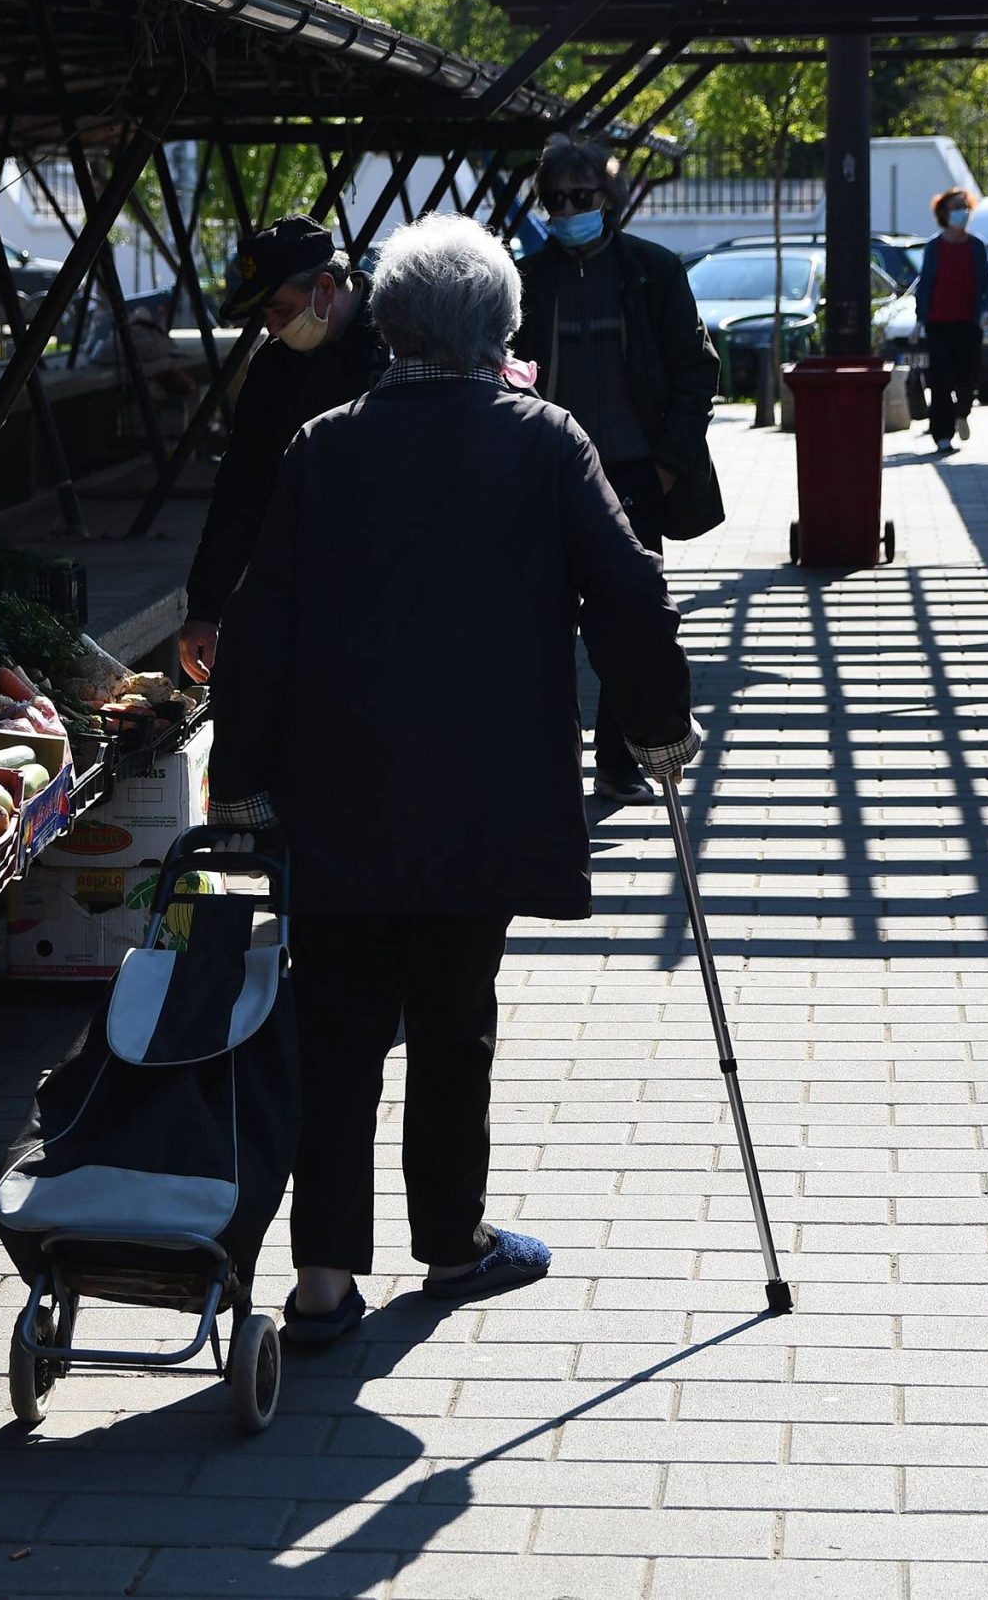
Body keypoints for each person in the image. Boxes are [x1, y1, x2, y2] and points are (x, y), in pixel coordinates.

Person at [208, 213, 699, 1346]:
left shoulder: (327, 443)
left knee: (335, 1026)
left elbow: (259, 622)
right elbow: (630, 594)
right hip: (483, 791)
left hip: (338, 790)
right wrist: (659, 734)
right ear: (497, 326)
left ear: (387, 325)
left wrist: (240, 787)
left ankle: (323, 1279)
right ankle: (451, 1242)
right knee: (451, 1019)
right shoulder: (542, 438)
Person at [510, 137, 720, 806]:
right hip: (546, 472)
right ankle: (546, 760)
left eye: (582, 197)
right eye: (556, 200)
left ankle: (619, 760)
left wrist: (666, 465)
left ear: (610, 200)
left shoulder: (651, 271)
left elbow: (698, 372)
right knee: (540, 621)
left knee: (627, 623)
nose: (569, 210)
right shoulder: (524, 282)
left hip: (632, 473)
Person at [176, 215, 387, 683]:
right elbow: (241, 490)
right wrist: (206, 607)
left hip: (394, 588)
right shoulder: (272, 369)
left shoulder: (401, 344)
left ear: (326, 289)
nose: (271, 327)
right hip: (305, 588)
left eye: (279, 309)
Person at [912, 187, 988, 452]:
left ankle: (962, 413)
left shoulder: (977, 245)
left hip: (969, 323)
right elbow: (925, 284)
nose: (961, 213)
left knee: (968, 377)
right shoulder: (935, 246)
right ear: (944, 213)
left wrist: (986, 309)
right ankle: (942, 434)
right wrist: (919, 320)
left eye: (964, 207)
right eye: (955, 207)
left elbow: (986, 282)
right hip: (939, 323)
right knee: (941, 380)